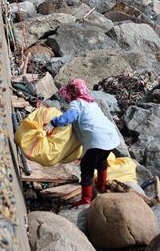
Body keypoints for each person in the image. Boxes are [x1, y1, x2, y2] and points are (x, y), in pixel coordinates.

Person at [44, 78, 120, 206]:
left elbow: (68, 118)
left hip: (96, 140)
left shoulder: (77, 104)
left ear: (72, 93)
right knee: (101, 161)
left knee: (86, 169)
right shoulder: (92, 103)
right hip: (111, 137)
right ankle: (101, 187)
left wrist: (53, 123)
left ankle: (86, 200)